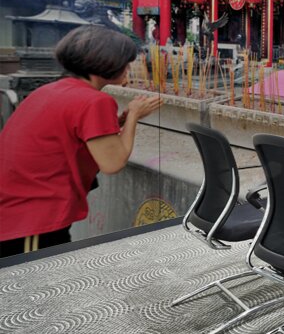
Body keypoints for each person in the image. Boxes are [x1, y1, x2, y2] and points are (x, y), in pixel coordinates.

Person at [0, 25, 163, 258]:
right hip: (31, 216)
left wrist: (121, 121)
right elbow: (113, 162)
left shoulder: (49, 90)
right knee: (36, 285)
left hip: (15, 206)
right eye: (125, 65)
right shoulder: (95, 101)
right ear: (104, 65)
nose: (129, 70)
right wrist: (135, 116)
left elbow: (74, 134)